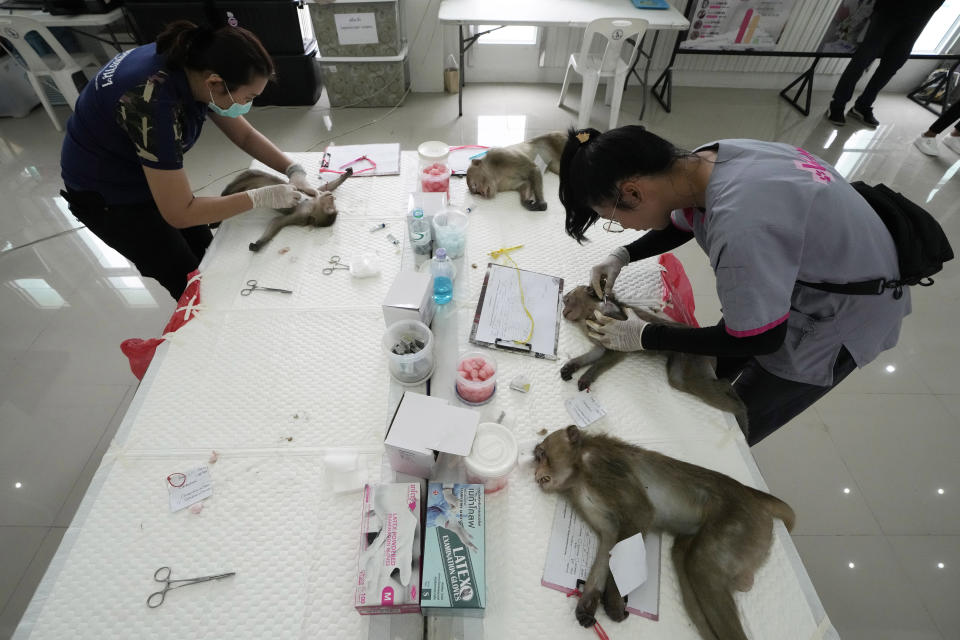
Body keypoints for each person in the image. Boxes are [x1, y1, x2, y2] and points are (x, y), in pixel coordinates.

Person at [558, 126, 910, 445]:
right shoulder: (703, 163)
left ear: (633, 192)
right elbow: (683, 221)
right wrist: (624, 254)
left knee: (729, 420)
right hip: (821, 270)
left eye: (615, 221)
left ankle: (712, 460)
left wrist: (644, 336)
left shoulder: (742, 227)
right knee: (705, 371)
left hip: (839, 319)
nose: (625, 227)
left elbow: (760, 338)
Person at [60, 20, 318, 300]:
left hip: (139, 168)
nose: (249, 103)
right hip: (110, 196)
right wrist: (260, 197)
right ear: (215, 82)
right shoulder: (151, 104)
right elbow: (180, 213)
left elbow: (244, 135)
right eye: (249, 96)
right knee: (189, 282)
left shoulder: (194, 60)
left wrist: (292, 169)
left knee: (208, 257)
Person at [825, 0, 944, 128]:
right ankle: (837, 104)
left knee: (893, 63)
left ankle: (862, 106)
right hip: (890, 10)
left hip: (921, 16)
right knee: (863, 59)